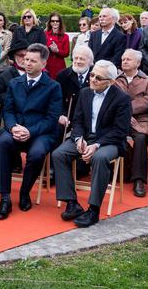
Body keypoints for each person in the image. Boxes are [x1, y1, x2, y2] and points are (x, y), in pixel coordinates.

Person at [53, 60, 131, 228]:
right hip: (86, 137)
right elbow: (78, 120)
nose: (93, 79)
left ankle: (93, 209)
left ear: (110, 82)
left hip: (110, 141)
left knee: (99, 158)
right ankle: (72, 203)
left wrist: (97, 145)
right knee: (59, 154)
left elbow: (120, 131)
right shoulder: (85, 93)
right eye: (92, 74)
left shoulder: (122, 99)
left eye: (98, 77)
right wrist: (78, 138)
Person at [0, 44, 63, 219]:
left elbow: (51, 119)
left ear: (44, 63)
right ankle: (5, 198)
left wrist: (29, 132)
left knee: (37, 153)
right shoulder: (14, 83)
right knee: (1, 142)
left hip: (41, 132)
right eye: (26, 59)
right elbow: (7, 111)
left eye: (33, 60)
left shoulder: (53, 87)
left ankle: (25, 193)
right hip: (16, 128)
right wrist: (12, 127)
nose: (28, 63)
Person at [114, 49, 148, 197]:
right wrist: (124, 115)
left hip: (141, 119)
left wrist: (126, 111)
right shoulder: (115, 80)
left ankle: (139, 179)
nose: (124, 61)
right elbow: (111, 101)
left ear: (138, 63)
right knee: (114, 135)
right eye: (123, 59)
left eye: (128, 59)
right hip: (119, 119)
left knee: (140, 138)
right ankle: (122, 171)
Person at [55, 45, 94, 133]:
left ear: (90, 61)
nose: (78, 61)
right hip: (68, 118)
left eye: (82, 59)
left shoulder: (96, 75)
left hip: (90, 117)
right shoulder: (62, 75)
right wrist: (61, 115)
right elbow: (57, 100)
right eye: (75, 58)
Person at [44, 12, 69, 79]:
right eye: (53, 21)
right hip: (47, 65)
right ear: (50, 22)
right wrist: (48, 48)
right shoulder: (45, 34)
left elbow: (66, 53)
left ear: (60, 22)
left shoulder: (65, 36)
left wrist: (57, 51)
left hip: (59, 66)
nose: (55, 22)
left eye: (57, 21)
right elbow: (42, 49)